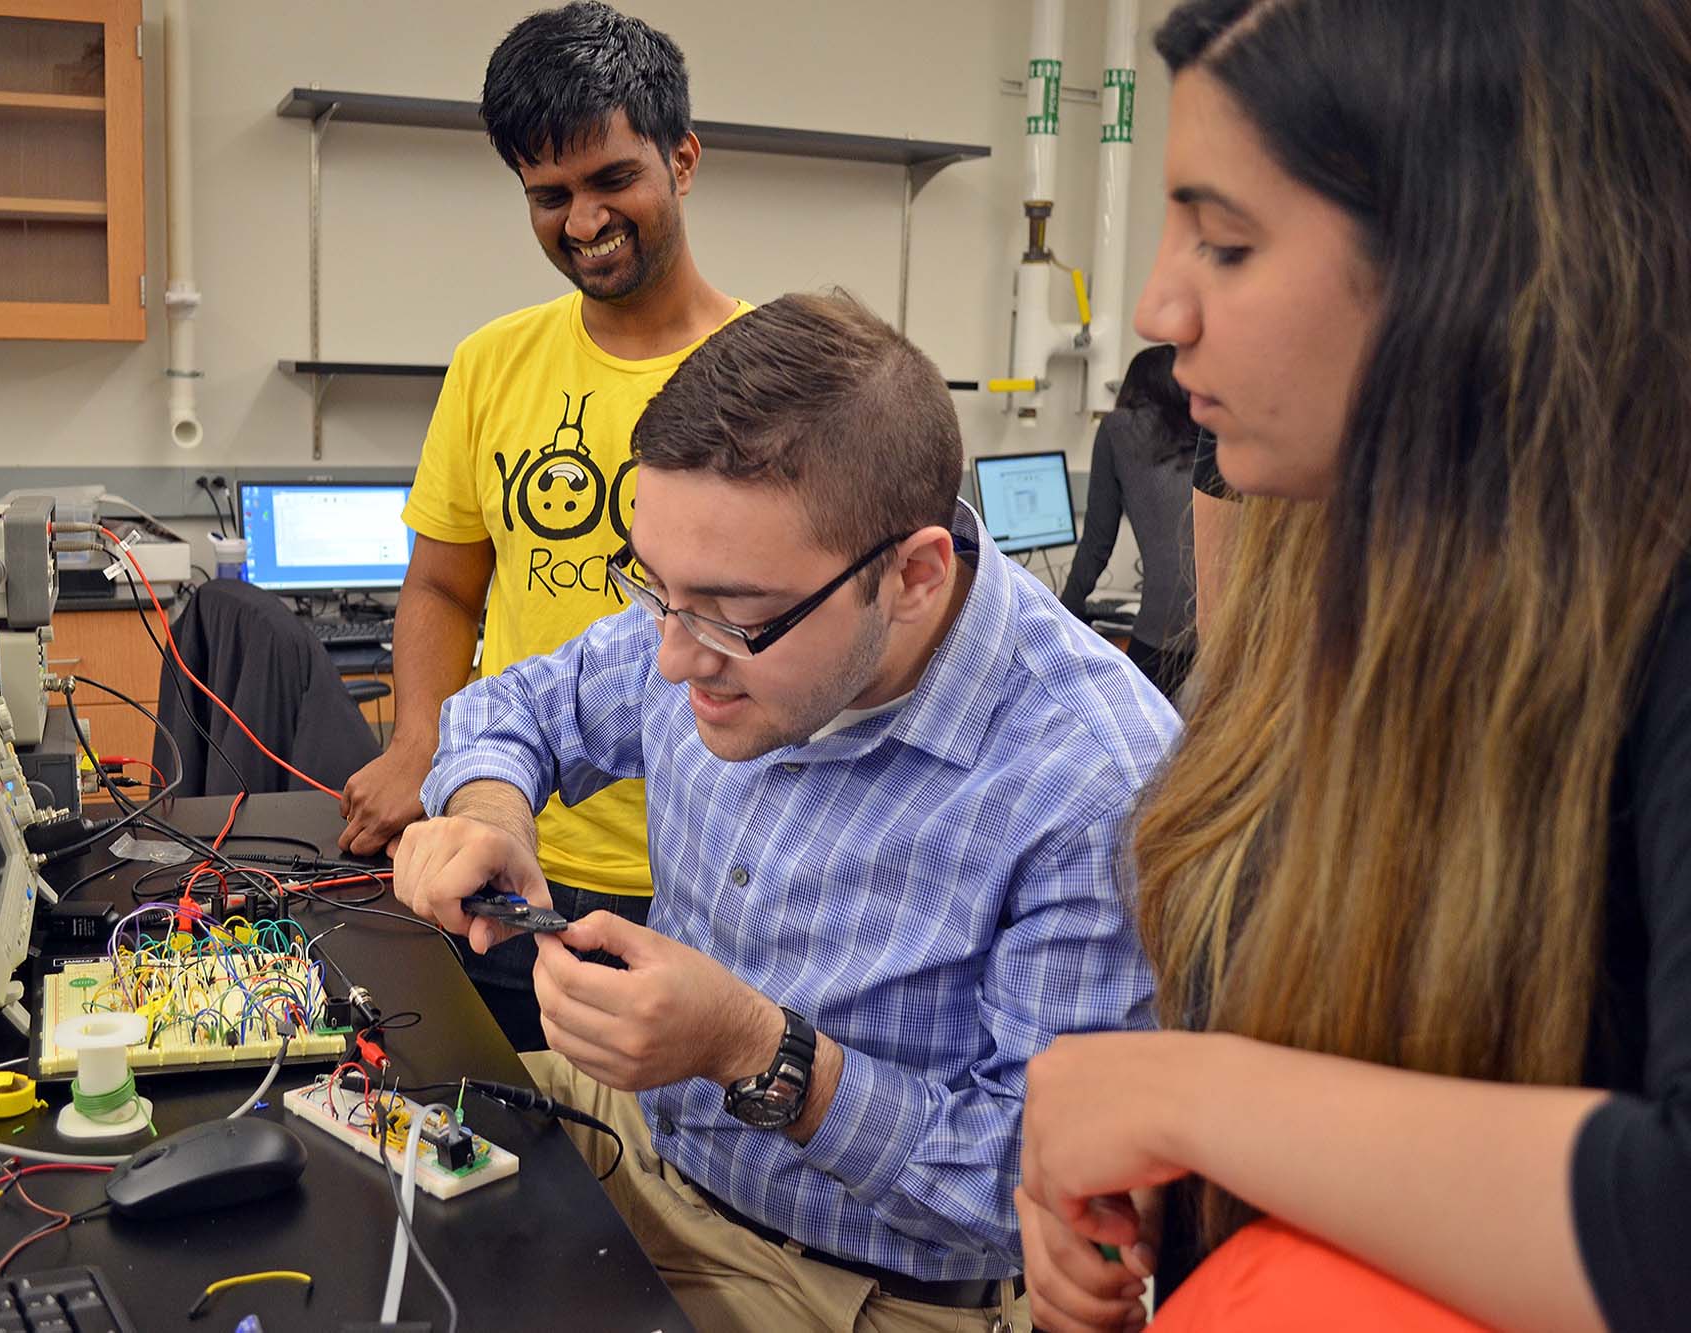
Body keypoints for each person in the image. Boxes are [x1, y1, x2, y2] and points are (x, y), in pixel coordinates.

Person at [1010, 2, 1691, 1331]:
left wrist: (1189, 1103)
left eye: (1227, 241)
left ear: (1471, 256)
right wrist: (1182, 1186)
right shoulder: (1318, 561)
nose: (1158, 307)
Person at [392, 292, 1178, 1331]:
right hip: (641, 1142)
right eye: (651, 588)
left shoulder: (1093, 782)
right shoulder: (703, 602)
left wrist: (758, 1053)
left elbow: (1037, 1183)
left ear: (912, 576)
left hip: (865, 1287)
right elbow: (514, 707)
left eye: (733, 617)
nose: (674, 658)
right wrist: (490, 812)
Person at [334, 2, 747, 1049]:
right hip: (507, 857)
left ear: (683, 159)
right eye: (549, 195)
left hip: (711, 873)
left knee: (691, 1143)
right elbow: (442, 587)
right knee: (507, 1131)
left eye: (613, 179)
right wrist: (421, 745)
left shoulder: (771, 378)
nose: (583, 220)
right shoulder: (491, 363)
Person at [1059, 345, 1201, 700]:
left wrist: (1062, 614)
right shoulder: (1209, 430)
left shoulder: (1118, 428)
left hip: (1164, 627)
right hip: (1230, 625)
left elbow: (1097, 542)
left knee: (1131, 721)